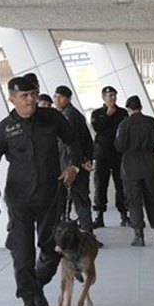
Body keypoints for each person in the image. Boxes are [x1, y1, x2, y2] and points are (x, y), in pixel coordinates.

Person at [0, 76, 81, 306]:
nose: (30, 100)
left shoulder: (52, 118)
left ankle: (35, 287)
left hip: (50, 195)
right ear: (12, 99)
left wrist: (74, 166)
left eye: (32, 94)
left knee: (52, 250)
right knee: (22, 255)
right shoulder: (5, 128)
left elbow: (76, 141)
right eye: (24, 96)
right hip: (19, 199)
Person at [114, 95, 154, 247]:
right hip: (149, 167)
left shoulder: (124, 124)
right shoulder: (150, 121)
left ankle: (139, 235)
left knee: (134, 201)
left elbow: (119, 146)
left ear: (128, 108)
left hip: (130, 169)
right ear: (141, 107)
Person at [53, 85, 99, 244]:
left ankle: (87, 236)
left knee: (78, 201)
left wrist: (74, 165)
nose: (56, 100)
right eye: (55, 97)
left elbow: (70, 144)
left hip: (71, 167)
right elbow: (87, 141)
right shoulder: (73, 114)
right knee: (80, 200)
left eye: (60, 97)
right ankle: (87, 235)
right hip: (77, 164)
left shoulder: (68, 116)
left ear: (68, 98)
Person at [90, 86, 130, 228]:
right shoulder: (97, 113)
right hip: (102, 154)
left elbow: (125, 131)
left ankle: (124, 215)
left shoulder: (123, 113)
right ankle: (99, 216)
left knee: (121, 184)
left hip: (118, 154)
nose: (112, 98)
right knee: (100, 184)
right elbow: (97, 128)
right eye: (110, 95)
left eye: (114, 95)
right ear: (104, 98)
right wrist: (108, 115)